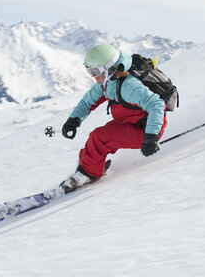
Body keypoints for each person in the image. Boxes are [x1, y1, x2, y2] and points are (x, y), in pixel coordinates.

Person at [60, 43, 168, 193]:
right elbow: (88, 101)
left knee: (99, 138)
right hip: (129, 120)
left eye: (95, 71)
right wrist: (73, 120)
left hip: (144, 129)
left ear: (109, 68)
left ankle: (88, 173)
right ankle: (89, 166)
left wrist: (151, 136)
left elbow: (156, 104)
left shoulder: (128, 86)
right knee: (95, 143)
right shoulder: (108, 82)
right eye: (89, 70)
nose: (93, 75)